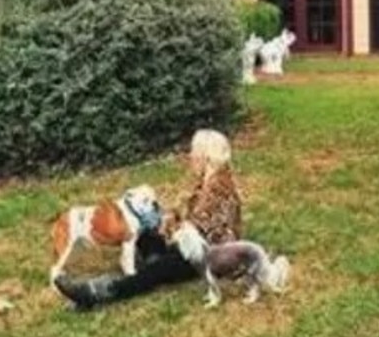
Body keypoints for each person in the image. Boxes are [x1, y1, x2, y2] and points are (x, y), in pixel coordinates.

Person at [52, 129, 244, 310]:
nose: (190, 156)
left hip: (206, 254)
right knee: (144, 234)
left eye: (194, 152)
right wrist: (164, 220)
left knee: (153, 272)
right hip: (188, 244)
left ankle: (98, 293)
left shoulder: (218, 189)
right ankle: (157, 264)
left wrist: (170, 226)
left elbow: (202, 231)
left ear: (205, 157)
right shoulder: (207, 180)